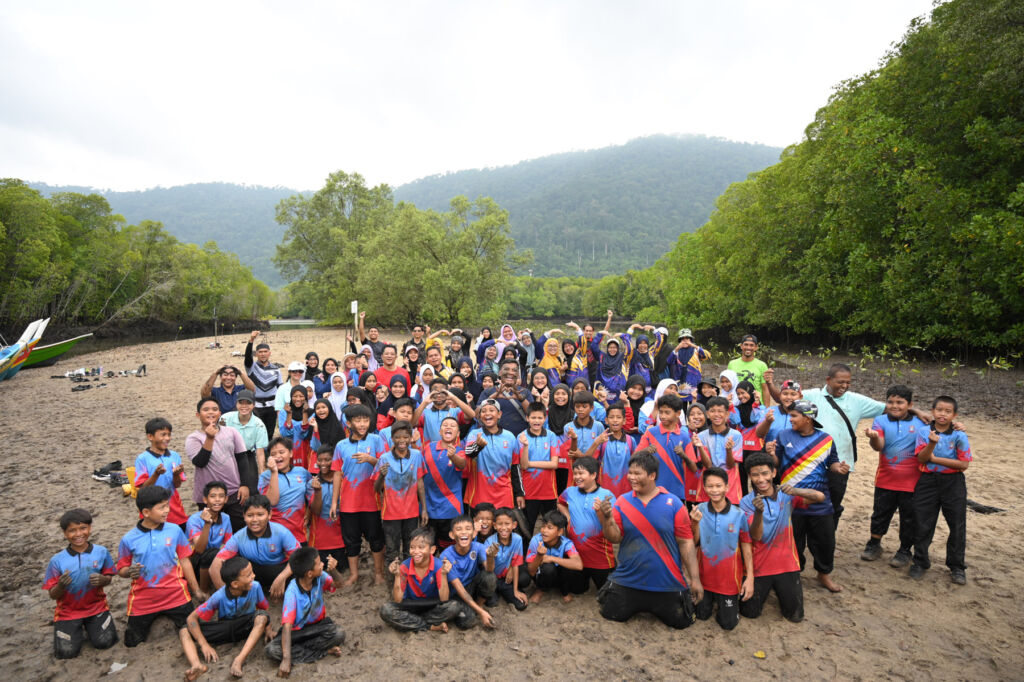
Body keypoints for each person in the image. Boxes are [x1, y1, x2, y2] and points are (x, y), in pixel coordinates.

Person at [595, 450, 702, 629]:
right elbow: (614, 538)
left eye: (638, 473)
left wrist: (695, 579)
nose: (632, 478)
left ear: (652, 475)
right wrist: (607, 518)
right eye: (630, 473)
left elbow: (686, 542)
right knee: (611, 614)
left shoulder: (674, 503)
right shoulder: (622, 501)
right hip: (629, 580)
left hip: (667, 582)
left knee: (682, 622)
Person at [789, 363, 886, 528]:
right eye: (840, 382)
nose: (844, 386)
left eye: (848, 382)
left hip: (841, 462)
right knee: (806, 501)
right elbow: (786, 399)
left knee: (833, 502)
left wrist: (918, 412)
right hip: (810, 462)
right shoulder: (811, 395)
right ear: (828, 380)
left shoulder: (857, 400)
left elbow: (889, 408)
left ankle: (827, 536)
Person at [774, 400, 849, 593]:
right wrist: (770, 454)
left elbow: (832, 462)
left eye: (794, 416)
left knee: (825, 540)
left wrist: (838, 468)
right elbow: (775, 463)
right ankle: (794, 573)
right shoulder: (783, 435)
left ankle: (823, 574)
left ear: (807, 418)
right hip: (790, 500)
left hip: (818, 500)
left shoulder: (826, 439)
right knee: (794, 540)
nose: (790, 419)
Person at [738, 453, 823, 622]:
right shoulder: (746, 502)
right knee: (750, 612)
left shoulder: (787, 495)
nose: (761, 479)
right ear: (749, 477)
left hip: (787, 564)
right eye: (755, 475)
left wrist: (796, 490)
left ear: (773, 473)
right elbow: (757, 536)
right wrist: (759, 513)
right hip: (759, 565)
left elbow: (820, 497)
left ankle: (779, 587)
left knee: (795, 616)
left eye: (764, 473)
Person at [116, 487, 203, 651]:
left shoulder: (175, 530)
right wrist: (129, 571)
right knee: (131, 642)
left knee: (196, 630)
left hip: (176, 594)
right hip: (144, 599)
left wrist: (196, 590)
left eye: (167, 505)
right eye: (162, 507)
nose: (167, 510)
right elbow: (121, 569)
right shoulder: (128, 539)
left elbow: (185, 561)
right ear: (146, 512)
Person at [861, 385, 928, 568]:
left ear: (910, 404)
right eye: (890, 402)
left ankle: (905, 550)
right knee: (880, 513)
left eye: (900, 402)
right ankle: (874, 544)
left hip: (913, 482)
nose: (894, 406)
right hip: (886, 478)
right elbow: (879, 446)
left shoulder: (921, 423)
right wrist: (873, 437)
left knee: (909, 517)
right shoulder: (881, 421)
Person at [910, 396, 971, 584]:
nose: (943, 414)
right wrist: (932, 444)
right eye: (939, 410)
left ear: (954, 415)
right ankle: (920, 561)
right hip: (927, 480)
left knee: (957, 525)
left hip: (953, 482)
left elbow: (963, 464)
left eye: (948, 411)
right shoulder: (923, 432)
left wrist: (935, 460)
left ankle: (957, 566)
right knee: (922, 522)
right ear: (932, 411)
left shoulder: (959, 435)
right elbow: (921, 458)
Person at [43, 508, 118, 659]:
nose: (78, 534)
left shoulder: (101, 552)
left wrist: (104, 580)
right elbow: (52, 594)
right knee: (66, 653)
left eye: (83, 528)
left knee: (105, 642)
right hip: (68, 612)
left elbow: (109, 576)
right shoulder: (57, 560)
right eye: (72, 530)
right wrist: (61, 586)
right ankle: (76, 628)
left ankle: (90, 626)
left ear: (90, 528)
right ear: (65, 533)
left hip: (96, 607)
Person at [330, 403, 387, 585]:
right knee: (351, 540)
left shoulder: (376, 440)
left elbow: (386, 466)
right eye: (357, 420)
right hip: (348, 502)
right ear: (348, 423)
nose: (362, 424)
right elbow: (337, 473)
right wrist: (334, 503)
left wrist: (371, 460)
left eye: (365, 420)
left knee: (376, 538)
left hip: (372, 500)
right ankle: (354, 575)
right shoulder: (341, 445)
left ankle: (378, 573)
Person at [184, 556, 270, 679]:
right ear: (235, 584)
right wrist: (204, 645)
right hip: (225, 629)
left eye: (252, 572)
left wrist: (268, 629)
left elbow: (264, 608)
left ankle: (238, 660)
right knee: (184, 630)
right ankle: (197, 665)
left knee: (262, 617)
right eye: (249, 575)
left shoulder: (255, 587)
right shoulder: (219, 596)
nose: (254, 576)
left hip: (246, 627)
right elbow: (191, 619)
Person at [689, 467, 754, 630]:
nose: (714, 490)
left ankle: (728, 606)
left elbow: (746, 544)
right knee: (701, 615)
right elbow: (695, 542)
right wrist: (695, 523)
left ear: (727, 486)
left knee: (728, 623)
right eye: (710, 486)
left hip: (729, 579)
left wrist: (750, 577)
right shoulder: (699, 511)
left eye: (718, 486)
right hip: (704, 577)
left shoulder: (738, 514)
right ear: (704, 488)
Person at [265, 548, 345, 675]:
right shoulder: (292, 591)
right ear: (309, 573)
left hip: (318, 627)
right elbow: (287, 626)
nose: (322, 564)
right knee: (272, 650)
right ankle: (323, 652)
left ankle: (303, 653)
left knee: (339, 633)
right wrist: (286, 660)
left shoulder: (320, 577)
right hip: (297, 633)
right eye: (319, 563)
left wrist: (333, 570)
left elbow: (339, 584)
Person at [211, 495, 299, 599]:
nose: (254, 519)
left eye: (260, 514)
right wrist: (227, 597)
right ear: (244, 516)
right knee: (227, 564)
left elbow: (299, 558)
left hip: (278, 570)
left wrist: (282, 577)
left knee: (304, 569)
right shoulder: (238, 537)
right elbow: (214, 567)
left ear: (269, 515)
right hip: (253, 574)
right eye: (250, 515)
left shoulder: (281, 532)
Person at [185, 398, 250, 531]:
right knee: (211, 529)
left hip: (233, 491)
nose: (210, 412)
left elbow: (242, 459)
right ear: (198, 415)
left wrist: (244, 484)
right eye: (205, 409)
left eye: (214, 409)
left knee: (237, 527)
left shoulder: (231, 432)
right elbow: (200, 462)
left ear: (220, 413)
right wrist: (209, 438)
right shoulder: (193, 438)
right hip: (208, 495)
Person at [380, 527, 461, 633]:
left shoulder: (438, 566)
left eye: (421, 547)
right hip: (410, 605)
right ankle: (430, 626)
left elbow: (444, 598)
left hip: (432, 606)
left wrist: (444, 574)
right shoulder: (405, 566)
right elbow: (398, 600)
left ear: (432, 550)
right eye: (412, 547)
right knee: (386, 610)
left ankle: (415, 622)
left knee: (454, 607)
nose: (415, 552)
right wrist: (397, 576)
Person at [557, 456, 616, 595]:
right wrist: (567, 516)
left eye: (581, 473)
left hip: (601, 557)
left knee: (607, 593)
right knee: (577, 590)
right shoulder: (569, 492)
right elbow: (560, 502)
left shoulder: (607, 496)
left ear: (594, 474)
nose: (577, 477)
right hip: (576, 557)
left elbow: (612, 527)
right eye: (575, 473)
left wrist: (601, 513)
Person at [373, 421, 427, 568]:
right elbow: (376, 489)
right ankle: (395, 581)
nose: (402, 440)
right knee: (392, 550)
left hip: (411, 512)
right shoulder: (384, 458)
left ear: (410, 438)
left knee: (411, 547)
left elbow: (420, 484)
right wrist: (381, 476)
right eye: (397, 437)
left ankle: (409, 576)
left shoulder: (416, 455)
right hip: (391, 514)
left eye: (405, 437)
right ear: (392, 438)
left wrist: (424, 509)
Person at [463, 399, 525, 512]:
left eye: (491, 410)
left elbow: (515, 467)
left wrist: (519, 493)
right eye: (483, 411)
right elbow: (469, 453)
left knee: (503, 528)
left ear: (499, 414)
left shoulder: (510, 437)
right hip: (479, 495)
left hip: (504, 495)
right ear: (480, 415)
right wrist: (478, 445)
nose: (487, 413)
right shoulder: (474, 434)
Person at [439, 515, 497, 629]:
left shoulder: (478, 547)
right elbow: (459, 588)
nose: (464, 532)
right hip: (456, 593)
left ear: (474, 533)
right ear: (452, 535)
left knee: (489, 577)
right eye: (459, 529)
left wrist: (490, 557)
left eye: (468, 528)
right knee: (468, 622)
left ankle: (478, 605)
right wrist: (482, 613)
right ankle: (476, 610)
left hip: (471, 586)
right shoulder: (445, 556)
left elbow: (490, 570)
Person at [635, 393, 695, 502]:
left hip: (677, 492)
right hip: (651, 490)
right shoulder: (650, 433)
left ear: (678, 413)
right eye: (661, 412)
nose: (662, 416)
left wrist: (683, 456)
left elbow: (694, 468)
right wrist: (645, 451)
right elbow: (633, 458)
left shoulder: (685, 437)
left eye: (667, 412)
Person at [133, 417, 188, 529]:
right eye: (163, 435)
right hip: (152, 507)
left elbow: (177, 485)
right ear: (150, 437)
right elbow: (143, 488)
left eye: (169, 434)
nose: (167, 438)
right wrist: (156, 474)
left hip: (174, 506)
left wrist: (176, 474)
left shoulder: (174, 456)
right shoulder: (142, 459)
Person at [421, 417, 467, 549]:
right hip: (429, 508)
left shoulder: (460, 451)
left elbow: (462, 464)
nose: (448, 427)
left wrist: (453, 456)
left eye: (453, 426)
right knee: (429, 548)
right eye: (445, 425)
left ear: (458, 433)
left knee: (450, 549)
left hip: (451, 508)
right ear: (440, 431)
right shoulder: (428, 448)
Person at [516, 402, 561, 534]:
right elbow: (523, 465)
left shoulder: (551, 436)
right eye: (533, 418)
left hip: (549, 491)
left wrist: (531, 463)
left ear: (545, 418)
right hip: (528, 491)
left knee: (551, 526)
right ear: (527, 418)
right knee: (527, 528)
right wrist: (525, 446)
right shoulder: (521, 437)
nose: (536, 421)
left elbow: (554, 464)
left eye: (540, 418)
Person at [258, 437, 312, 546]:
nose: (278, 457)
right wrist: (274, 472)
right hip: (275, 534)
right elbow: (272, 501)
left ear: (291, 453)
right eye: (273, 454)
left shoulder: (302, 473)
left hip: (299, 533)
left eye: (282, 452)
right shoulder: (265, 477)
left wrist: (309, 512)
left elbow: (311, 497)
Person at [185, 481, 233, 593]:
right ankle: (203, 590)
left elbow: (229, 543)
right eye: (213, 496)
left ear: (226, 499)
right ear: (205, 500)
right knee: (210, 554)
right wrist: (207, 524)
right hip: (194, 562)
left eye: (221, 496)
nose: (217, 500)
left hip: (215, 558)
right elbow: (199, 549)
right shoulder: (194, 519)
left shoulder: (226, 518)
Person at [525, 510, 583, 603]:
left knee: (570, 566)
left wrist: (551, 558)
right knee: (548, 568)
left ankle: (564, 590)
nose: (544, 530)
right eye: (543, 526)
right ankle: (541, 590)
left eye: (549, 527)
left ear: (560, 531)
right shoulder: (536, 541)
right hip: (542, 575)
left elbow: (578, 565)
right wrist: (539, 556)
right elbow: (531, 572)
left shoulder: (566, 543)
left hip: (559, 574)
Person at [307, 446, 345, 581]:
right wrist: (317, 492)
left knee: (340, 569)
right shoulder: (312, 483)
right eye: (320, 460)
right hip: (319, 540)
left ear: (334, 461)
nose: (323, 464)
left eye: (328, 460)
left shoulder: (343, 480)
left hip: (341, 539)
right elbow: (315, 511)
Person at [221, 389, 268, 495]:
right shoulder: (225, 419)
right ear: (236, 404)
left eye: (248, 403)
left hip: (248, 456)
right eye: (241, 402)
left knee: (251, 488)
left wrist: (262, 474)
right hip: (227, 455)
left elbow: (260, 453)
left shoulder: (259, 425)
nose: (244, 406)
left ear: (254, 405)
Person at [697, 397, 744, 504]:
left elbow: (731, 465)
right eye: (712, 411)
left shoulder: (736, 435)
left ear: (727, 414)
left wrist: (728, 450)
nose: (716, 414)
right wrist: (699, 446)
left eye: (720, 411)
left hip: (730, 484)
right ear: (707, 414)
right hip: (709, 482)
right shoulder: (702, 436)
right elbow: (707, 465)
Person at [585, 404, 636, 498]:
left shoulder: (630, 440)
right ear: (606, 420)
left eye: (619, 417)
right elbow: (588, 460)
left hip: (627, 488)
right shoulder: (602, 440)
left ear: (624, 421)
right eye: (611, 417)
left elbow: (636, 464)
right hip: (604, 488)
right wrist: (596, 442)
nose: (615, 420)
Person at [483, 508, 529, 610]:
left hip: (505, 579)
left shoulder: (517, 539)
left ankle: (512, 590)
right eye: (500, 524)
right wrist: (490, 556)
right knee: (492, 603)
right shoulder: (489, 542)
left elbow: (516, 563)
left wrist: (515, 590)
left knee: (521, 605)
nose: (504, 528)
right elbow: (488, 570)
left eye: (507, 524)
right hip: (492, 578)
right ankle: (499, 591)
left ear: (514, 525)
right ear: (494, 526)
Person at [244, 330, 282, 441]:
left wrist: (280, 407)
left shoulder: (276, 369)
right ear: (256, 354)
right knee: (256, 432)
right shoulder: (251, 367)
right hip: (256, 406)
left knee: (270, 432)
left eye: (265, 351)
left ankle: (267, 455)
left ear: (269, 353)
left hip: (272, 406)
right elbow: (247, 358)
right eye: (260, 352)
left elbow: (280, 388)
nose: (263, 354)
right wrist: (251, 340)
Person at [730, 380, 765, 496]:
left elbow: (754, 419)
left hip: (756, 449)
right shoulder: (737, 408)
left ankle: (759, 504)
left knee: (757, 479)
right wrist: (730, 405)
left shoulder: (761, 408)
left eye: (743, 393)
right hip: (741, 449)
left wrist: (756, 403)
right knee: (741, 479)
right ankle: (744, 504)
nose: (741, 396)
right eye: (738, 394)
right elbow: (735, 421)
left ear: (752, 392)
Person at [278, 385, 317, 471]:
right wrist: (289, 415)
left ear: (306, 397)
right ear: (291, 397)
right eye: (295, 396)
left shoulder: (312, 413)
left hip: (306, 450)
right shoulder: (283, 413)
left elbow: (305, 433)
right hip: (289, 448)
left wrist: (305, 413)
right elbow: (286, 433)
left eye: (301, 396)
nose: (298, 399)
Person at [590, 310, 628, 395]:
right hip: (603, 388)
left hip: (617, 389)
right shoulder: (602, 356)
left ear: (618, 348)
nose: (612, 349)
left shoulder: (621, 356)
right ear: (607, 348)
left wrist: (622, 336)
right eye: (610, 347)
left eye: (614, 347)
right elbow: (593, 346)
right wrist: (600, 333)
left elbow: (630, 349)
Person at [667, 329, 711, 401]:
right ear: (680, 341)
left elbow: (707, 356)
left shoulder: (696, 350)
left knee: (694, 401)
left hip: (694, 382)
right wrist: (677, 348)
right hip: (680, 383)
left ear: (691, 340)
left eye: (687, 339)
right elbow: (669, 361)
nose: (685, 341)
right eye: (683, 339)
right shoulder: (677, 352)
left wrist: (693, 346)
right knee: (681, 403)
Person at [563, 390, 605, 465]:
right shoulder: (568, 427)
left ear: (591, 408)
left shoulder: (599, 426)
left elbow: (599, 451)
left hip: (594, 466)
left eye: (584, 406)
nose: (580, 409)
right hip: (575, 467)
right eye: (577, 406)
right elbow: (572, 453)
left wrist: (580, 455)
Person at [727, 334, 770, 406]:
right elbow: (728, 386)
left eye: (751, 345)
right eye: (746, 344)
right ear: (741, 346)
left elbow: (765, 389)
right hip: (737, 404)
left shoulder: (762, 365)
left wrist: (766, 409)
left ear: (756, 347)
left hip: (755, 404)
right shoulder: (732, 364)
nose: (748, 347)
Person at [621, 323, 663, 392]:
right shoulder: (632, 354)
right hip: (635, 389)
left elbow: (659, 341)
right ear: (637, 344)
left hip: (649, 389)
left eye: (645, 343)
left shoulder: (651, 353)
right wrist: (632, 327)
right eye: (640, 343)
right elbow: (627, 341)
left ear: (647, 344)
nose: (643, 345)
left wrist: (653, 328)